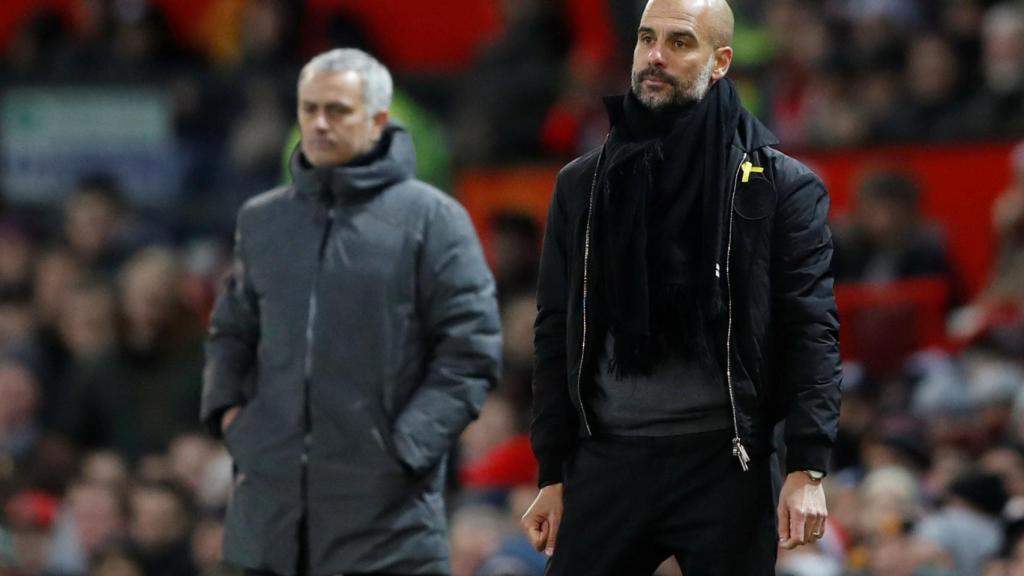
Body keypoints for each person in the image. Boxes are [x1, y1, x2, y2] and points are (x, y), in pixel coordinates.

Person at [521, 0, 842, 574]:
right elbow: (554, 331)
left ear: (719, 61)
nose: (655, 57)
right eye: (646, 39)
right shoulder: (581, 185)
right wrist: (551, 470)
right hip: (608, 458)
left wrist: (807, 466)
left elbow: (810, 329)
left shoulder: (780, 186)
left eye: (679, 42)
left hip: (727, 463)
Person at [201, 49, 502, 575]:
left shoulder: (435, 221)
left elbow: (470, 354)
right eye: (308, 108)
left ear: (379, 120)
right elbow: (231, 331)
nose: (318, 123)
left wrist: (403, 449)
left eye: (337, 110)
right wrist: (232, 419)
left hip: (388, 531)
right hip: (265, 525)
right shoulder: (262, 220)